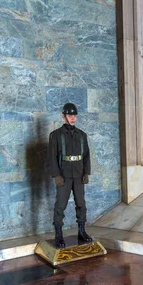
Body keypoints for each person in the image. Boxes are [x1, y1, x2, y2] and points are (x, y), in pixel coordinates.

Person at [48, 102, 93, 248]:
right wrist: (56, 175)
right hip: (64, 175)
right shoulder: (55, 135)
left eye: (74, 115)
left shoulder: (82, 135)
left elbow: (86, 155)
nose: (72, 118)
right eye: (69, 115)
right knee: (60, 205)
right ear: (63, 116)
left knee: (81, 203)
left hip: (79, 174)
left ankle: (81, 230)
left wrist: (86, 172)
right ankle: (59, 234)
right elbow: (52, 157)